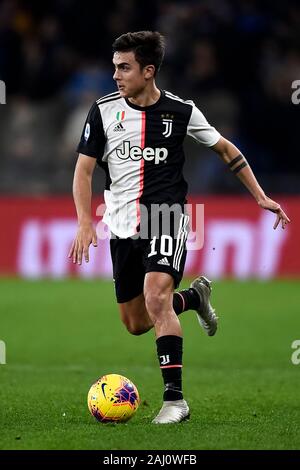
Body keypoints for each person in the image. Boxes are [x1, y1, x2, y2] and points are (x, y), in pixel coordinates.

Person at [68, 31, 290, 424]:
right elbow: (83, 170)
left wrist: (258, 195)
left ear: (148, 71)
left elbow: (226, 149)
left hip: (167, 217)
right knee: (136, 322)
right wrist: (86, 222)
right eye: (115, 66)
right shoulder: (102, 111)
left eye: (125, 67)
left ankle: (175, 401)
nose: (116, 75)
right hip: (120, 226)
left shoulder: (181, 111)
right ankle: (195, 299)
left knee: (156, 297)